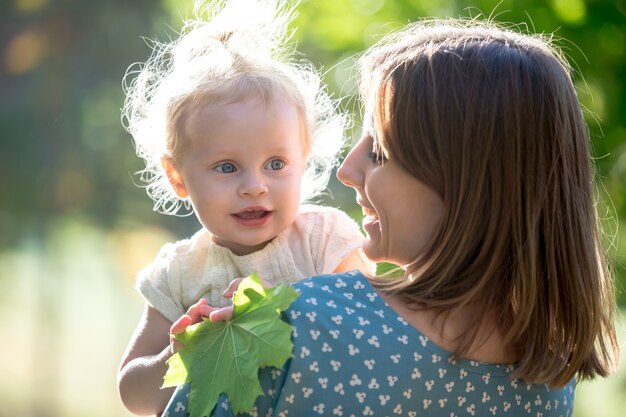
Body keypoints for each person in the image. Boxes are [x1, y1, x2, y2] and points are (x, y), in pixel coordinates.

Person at [162, 16, 620, 417]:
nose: (347, 169)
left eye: (379, 151)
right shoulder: (549, 381)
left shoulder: (292, 321)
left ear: (466, 183)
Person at [116, 1, 374, 415]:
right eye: (227, 167)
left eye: (276, 164)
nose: (254, 187)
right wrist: (179, 355)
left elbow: (377, 335)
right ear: (177, 176)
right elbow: (132, 392)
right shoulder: (179, 274)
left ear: (303, 160)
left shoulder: (324, 240)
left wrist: (294, 313)